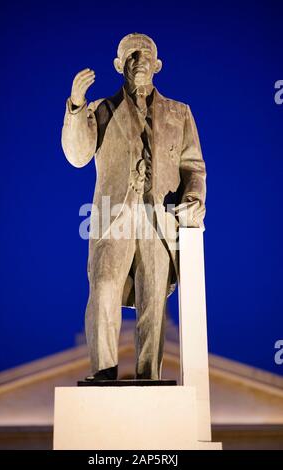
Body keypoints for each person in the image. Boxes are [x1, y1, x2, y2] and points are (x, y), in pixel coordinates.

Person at [61, 33, 206, 381]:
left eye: (145, 55)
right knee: (104, 288)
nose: (138, 59)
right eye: (130, 54)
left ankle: (149, 377)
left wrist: (194, 199)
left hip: (160, 217)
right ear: (118, 64)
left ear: (157, 65)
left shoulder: (179, 113)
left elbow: (193, 167)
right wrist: (77, 105)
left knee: (154, 301)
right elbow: (77, 155)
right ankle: (103, 373)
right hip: (114, 216)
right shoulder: (101, 109)